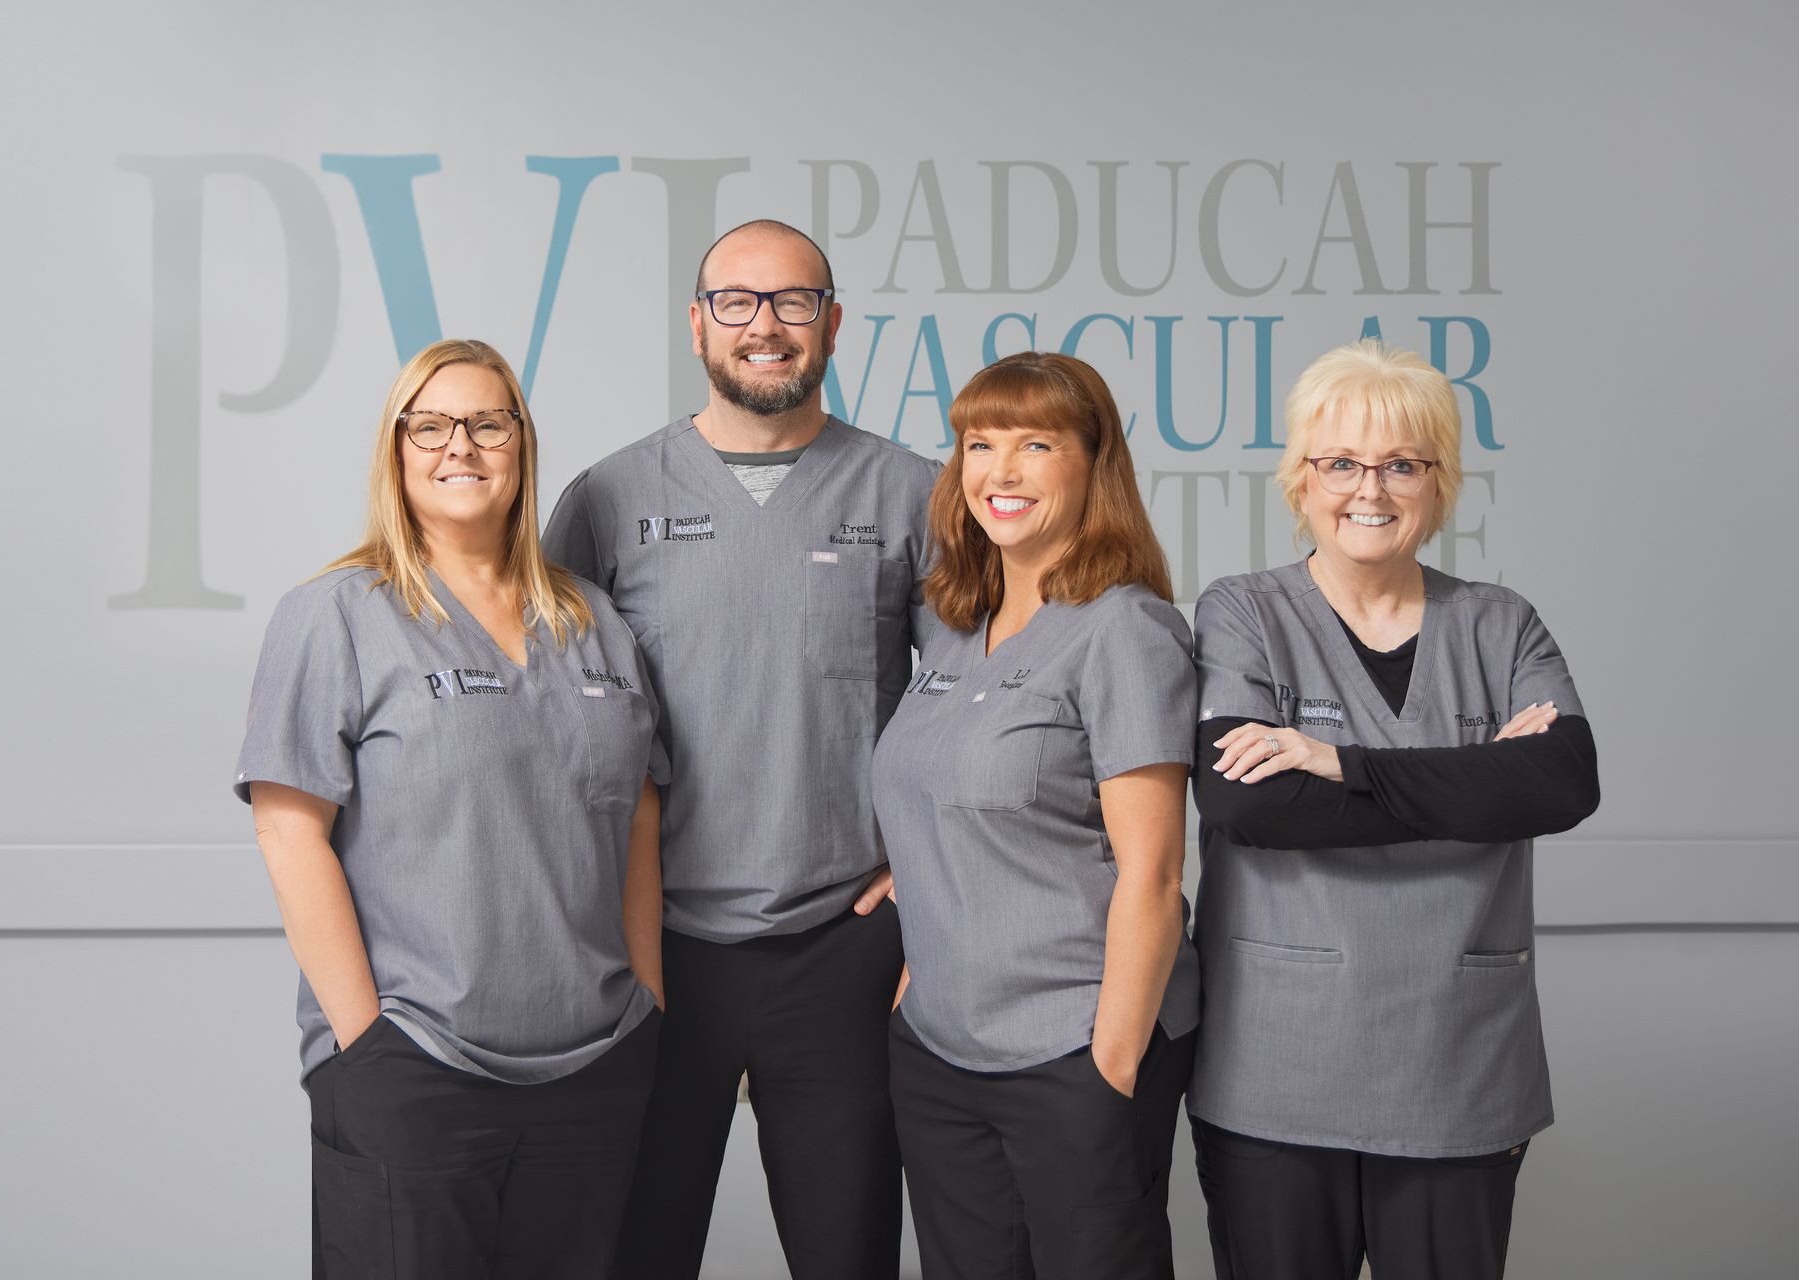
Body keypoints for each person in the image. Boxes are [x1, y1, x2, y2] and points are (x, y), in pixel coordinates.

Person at [542, 219, 936, 1279]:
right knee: (634, 1244)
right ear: (697, 323)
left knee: (846, 1248)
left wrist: (921, 877)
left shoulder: (915, 495)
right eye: (738, 302)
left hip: (844, 939)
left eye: (794, 302)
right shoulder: (607, 500)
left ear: (835, 323)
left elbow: (971, 700)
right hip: (654, 942)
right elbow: (546, 716)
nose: (766, 326)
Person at [234, 338, 667, 1278]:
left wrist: (648, 1000)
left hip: (594, 1072)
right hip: (414, 1066)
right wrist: (365, 1044)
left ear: (522, 443)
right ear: (396, 451)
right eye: (429, 425)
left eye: (486, 422)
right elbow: (287, 826)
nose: (459, 445)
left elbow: (636, 815)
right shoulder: (337, 615)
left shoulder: (594, 621)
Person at [1188, 339, 1601, 1280]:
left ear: (1439, 482)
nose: (1369, 489)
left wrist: (1336, 761)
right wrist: (1477, 785)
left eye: (1403, 464)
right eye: (1340, 462)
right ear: (1301, 480)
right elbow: (1251, 807)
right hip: (1276, 1065)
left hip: (1460, 1062)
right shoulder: (1244, 612)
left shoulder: (1502, 623)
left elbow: (1564, 780)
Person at [871, 351, 1200, 1279]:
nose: (999, 473)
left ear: (1093, 465)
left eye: (1034, 445)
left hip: (1073, 1051)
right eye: (980, 444)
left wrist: (1112, 1065)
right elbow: (940, 797)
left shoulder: (1124, 630)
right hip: (938, 1048)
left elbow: (1157, 873)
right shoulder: (948, 627)